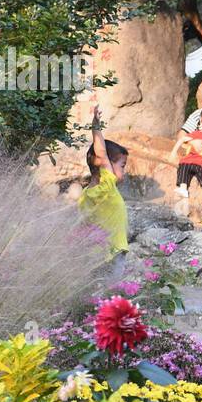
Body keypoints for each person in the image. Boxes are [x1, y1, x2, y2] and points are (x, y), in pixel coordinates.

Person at [79, 101, 130, 275]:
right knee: (112, 292)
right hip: (114, 252)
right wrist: (96, 126)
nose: (124, 170)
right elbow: (101, 152)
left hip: (95, 255)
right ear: (104, 164)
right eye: (122, 165)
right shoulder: (107, 184)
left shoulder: (85, 195)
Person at [169, 106, 202, 202]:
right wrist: (173, 152)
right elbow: (182, 139)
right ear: (201, 123)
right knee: (183, 169)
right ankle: (183, 188)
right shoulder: (196, 134)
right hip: (188, 162)